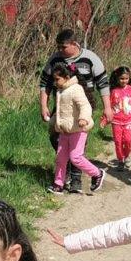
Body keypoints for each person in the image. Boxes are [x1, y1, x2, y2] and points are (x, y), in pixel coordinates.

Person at [39, 29, 111, 193]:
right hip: (62, 107)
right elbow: (45, 83)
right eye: (58, 47)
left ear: (74, 44)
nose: (60, 50)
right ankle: (62, 178)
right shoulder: (55, 59)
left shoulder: (90, 58)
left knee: (77, 149)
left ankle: (76, 180)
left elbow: (102, 83)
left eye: (63, 47)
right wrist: (44, 106)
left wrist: (106, 108)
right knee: (57, 141)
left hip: (83, 109)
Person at [47, 63, 105, 194]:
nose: (55, 82)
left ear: (67, 77)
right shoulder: (60, 91)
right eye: (54, 79)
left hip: (78, 130)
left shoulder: (76, 89)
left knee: (76, 157)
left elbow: (85, 106)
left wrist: (83, 118)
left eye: (57, 79)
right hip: (64, 131)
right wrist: (52, 123)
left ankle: (97, 173)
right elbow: (60, 112)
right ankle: (58, 184)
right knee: (61, 159)